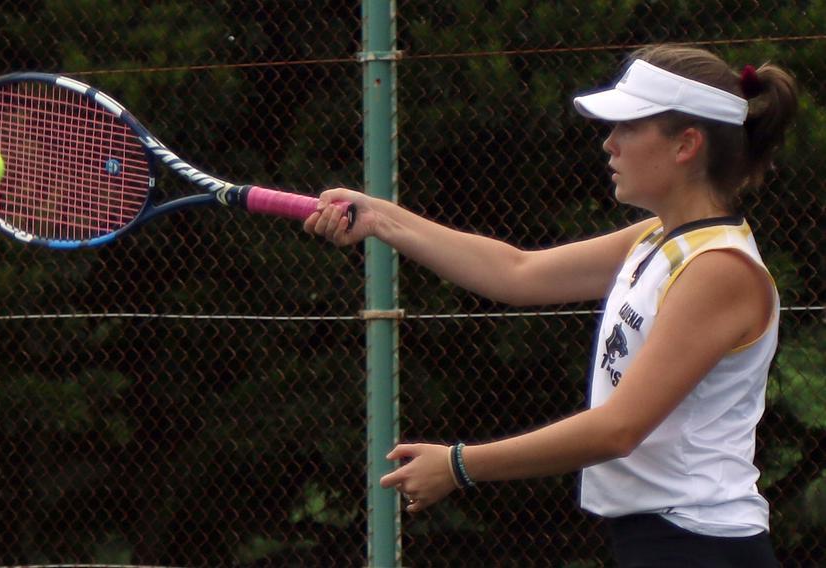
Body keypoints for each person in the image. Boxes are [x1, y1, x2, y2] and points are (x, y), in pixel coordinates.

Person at [304, 44, 798, 567]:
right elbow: (518, 272)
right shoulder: (660, 239)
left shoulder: (717, 269)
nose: (609, 143)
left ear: (686, 145)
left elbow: (618, 428)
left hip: (700, 545)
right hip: (665, 541)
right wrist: (379, 218)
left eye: (628, 126)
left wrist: (460, 464)